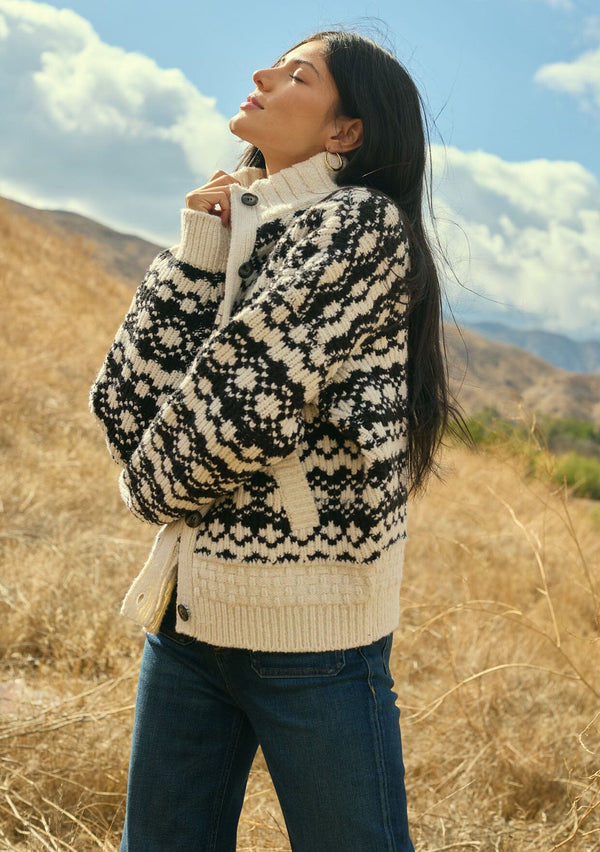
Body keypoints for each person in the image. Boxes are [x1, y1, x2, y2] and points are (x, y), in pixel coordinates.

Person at [90, 29, 456, 852]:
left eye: (297, 74)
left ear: (346, 133)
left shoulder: (360, 226)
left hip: (310, 637)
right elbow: (122, 407)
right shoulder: (249, 224)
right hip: (188, 621)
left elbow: (234, 415)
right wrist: (200, 246)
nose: (261, 74)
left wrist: (148, 489)